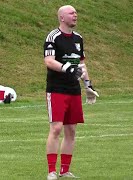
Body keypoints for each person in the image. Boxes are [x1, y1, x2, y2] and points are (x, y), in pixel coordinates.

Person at [43, 5, 99, 180]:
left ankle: (64, 170)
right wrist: (67, 68)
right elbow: (49, 61)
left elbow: (81, 65)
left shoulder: (78, 38)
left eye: (76, 12)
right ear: (61, 17)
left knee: (71, 131)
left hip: (74, 90)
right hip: (57, 89)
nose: (75, 15)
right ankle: (51, 171)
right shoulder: (53, 37)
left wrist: (88, 85)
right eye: (71, 13)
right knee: (56, 128)